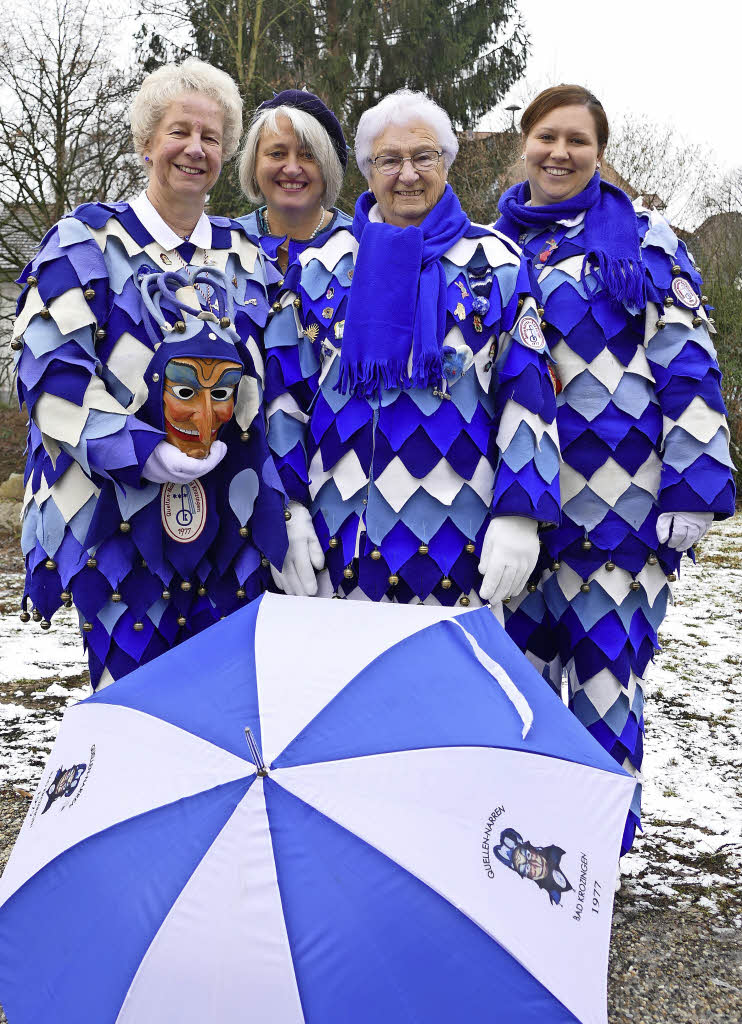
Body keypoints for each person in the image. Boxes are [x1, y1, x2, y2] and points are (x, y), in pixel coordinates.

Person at [496, 85, 736, 853]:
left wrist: (694, 481)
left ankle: (592, 866)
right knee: (519, 694)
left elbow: (688, 359)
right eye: (546, 137)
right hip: (521, 511)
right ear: (524, 144)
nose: (559, 153)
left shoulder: (648, 240)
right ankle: (516, 856)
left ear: (599, 151)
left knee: (604, 693)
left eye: (577, 140)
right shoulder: (491, 248)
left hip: (621, 514)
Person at [11, 58, 287, 689]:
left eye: (211, 138)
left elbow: (274, 383)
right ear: (145, 143)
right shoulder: (83, 240)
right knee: (132, 719)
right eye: (179, 132)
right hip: (115, 525)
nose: (195, 149)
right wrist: (142, 449)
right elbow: (53, 375)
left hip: (227, 527)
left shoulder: (251, 257)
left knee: (223, 718)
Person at [260, 88, 561, 607]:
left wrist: (520, 512)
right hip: (336, 547)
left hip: (461, 549)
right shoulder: (320, 266)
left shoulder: (498, 262)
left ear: (445, 163)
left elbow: (528, 397)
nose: (407, 174)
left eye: (423, 156)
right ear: (367, 171)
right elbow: (283, 397)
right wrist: (286, 508)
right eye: (389, 160)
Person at [236, 90, 353, 594]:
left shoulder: (365, 247)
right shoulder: (221, 245)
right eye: (277, 153)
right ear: (253, 165)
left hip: (337, 490)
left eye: (307, 154)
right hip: (234, 478)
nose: (292, 167)